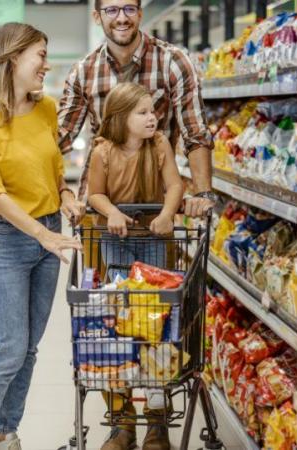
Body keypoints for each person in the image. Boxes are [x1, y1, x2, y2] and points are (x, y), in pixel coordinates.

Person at [0, 22, 84, 450]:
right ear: (13, 59)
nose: (46, 65)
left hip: (50, 231)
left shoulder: (46, 108)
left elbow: (53, 166)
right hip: (9, 242)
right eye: (41, 56)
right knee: (8, 349)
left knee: (29, 349)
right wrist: (40, 235)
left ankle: (6, 433)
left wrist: (64, 193)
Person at [87, 82, 183, 450]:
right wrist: (111, 212)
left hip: (155, 246)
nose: (151, 117)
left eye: (152, 111)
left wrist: (166, 214)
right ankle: (123, 418)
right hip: (117, 244)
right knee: (119, 328)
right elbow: (95, 193)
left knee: (155, 329)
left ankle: (156, 418)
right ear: (120, 118)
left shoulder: (159, 145)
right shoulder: (103, 152)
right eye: (142, 112)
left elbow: (174, 185)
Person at [57, 0, 218, 218]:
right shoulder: (84, 72)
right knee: (99, 252)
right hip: (100, 206)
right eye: (111, 10)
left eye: (129, 9)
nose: (122, 18)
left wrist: (203, 193)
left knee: (157, 253)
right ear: (97, 17)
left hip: (157, 207)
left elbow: (195, 132)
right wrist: (62, 190)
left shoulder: (173, 61)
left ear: (140, 14)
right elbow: (61, 138)